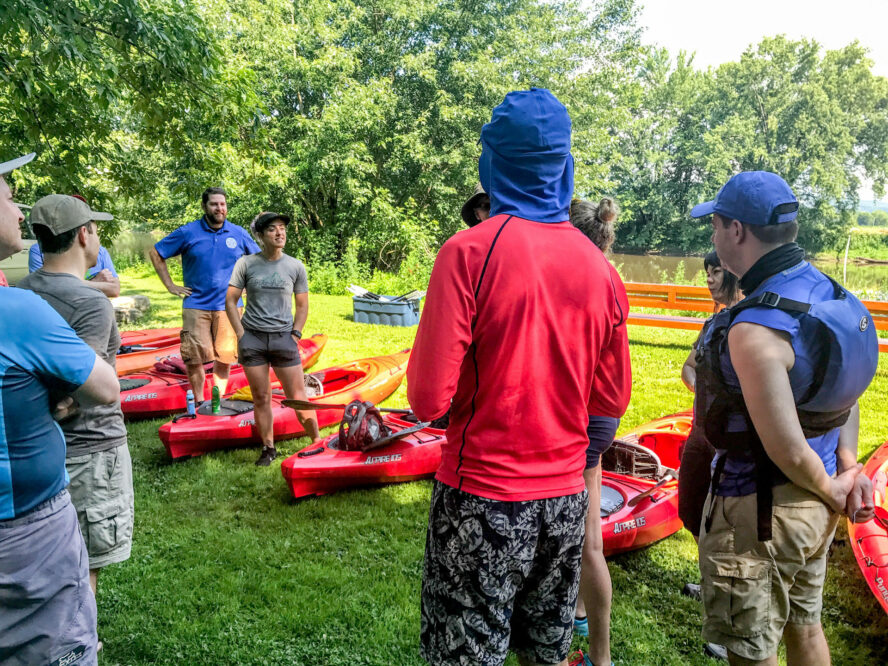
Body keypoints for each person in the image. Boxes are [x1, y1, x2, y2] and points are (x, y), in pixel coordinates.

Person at [407, 89, 632, 666]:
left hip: (481, 497)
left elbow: (429, 399)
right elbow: (610, 400)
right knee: (545, 654)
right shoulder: (600, 271)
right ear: (564, 164)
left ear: (492, 161)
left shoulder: (467, 251)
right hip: (563, 504)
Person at [690, 171, 878, 666]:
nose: (712, 237)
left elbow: (785, 447)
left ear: (737, 231)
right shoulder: (834, 298)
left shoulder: (753, 329)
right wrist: (845, 470)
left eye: (714, 226)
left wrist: (835, 483)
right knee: (805, 625)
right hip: (816, 506)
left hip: (761, 512)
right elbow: (846, 391)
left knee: (751, 650)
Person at [0, 153, 120, 665]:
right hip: (30, 531)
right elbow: (104, 388)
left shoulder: (23, 290)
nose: (14, 207)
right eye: (7, 196)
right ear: (85, 235)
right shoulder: (19, 309)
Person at [18, 194, 135, 650]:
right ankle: (76, 647)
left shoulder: (22, 293)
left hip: (35, 447)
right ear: (84, 234)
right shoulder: (90, 302)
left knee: (48, 553)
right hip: (90, 450)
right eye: (96, 228)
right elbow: (82, 388)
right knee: (85, 560)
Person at [567, 197, 623, 666]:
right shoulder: (609, 273)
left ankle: (599, 658)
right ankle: (580, 613)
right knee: (592, 538)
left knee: (585, 542)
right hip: (603, 415)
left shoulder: (585, 276)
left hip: (585, 415)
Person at [225, 212, 321, 466]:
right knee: (261, 397)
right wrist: (240, 334)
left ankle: (317, 443)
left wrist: (296, 334)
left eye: (282, 228)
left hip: (283, 340)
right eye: (272, 230)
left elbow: (302, 306)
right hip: (253, 340)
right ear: (261, 236)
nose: (280, 233)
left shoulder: (295, 266)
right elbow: (230, 300)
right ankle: (268, 448)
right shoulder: (246, 263)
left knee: (298, 397)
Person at [149, 187, 260, 402]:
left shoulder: (238, 233)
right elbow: (156, 252)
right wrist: (170, 285)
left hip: (229, 307)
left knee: (225, 357)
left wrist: (249, 283)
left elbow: (257, 261)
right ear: (204, 206)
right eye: (214, 204)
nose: (219, 208)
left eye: (223, 204)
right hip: (196, 305)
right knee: (193, 359)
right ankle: (200, 402)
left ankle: (217, 402)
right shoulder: (188, 232)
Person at [28, 194, 120, 298]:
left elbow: (115, 288)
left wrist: (71, 283)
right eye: (96, 233)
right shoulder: (37, 250)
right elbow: (42, 286)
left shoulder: (101, 251)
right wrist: (95, 282)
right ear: (83, 233)